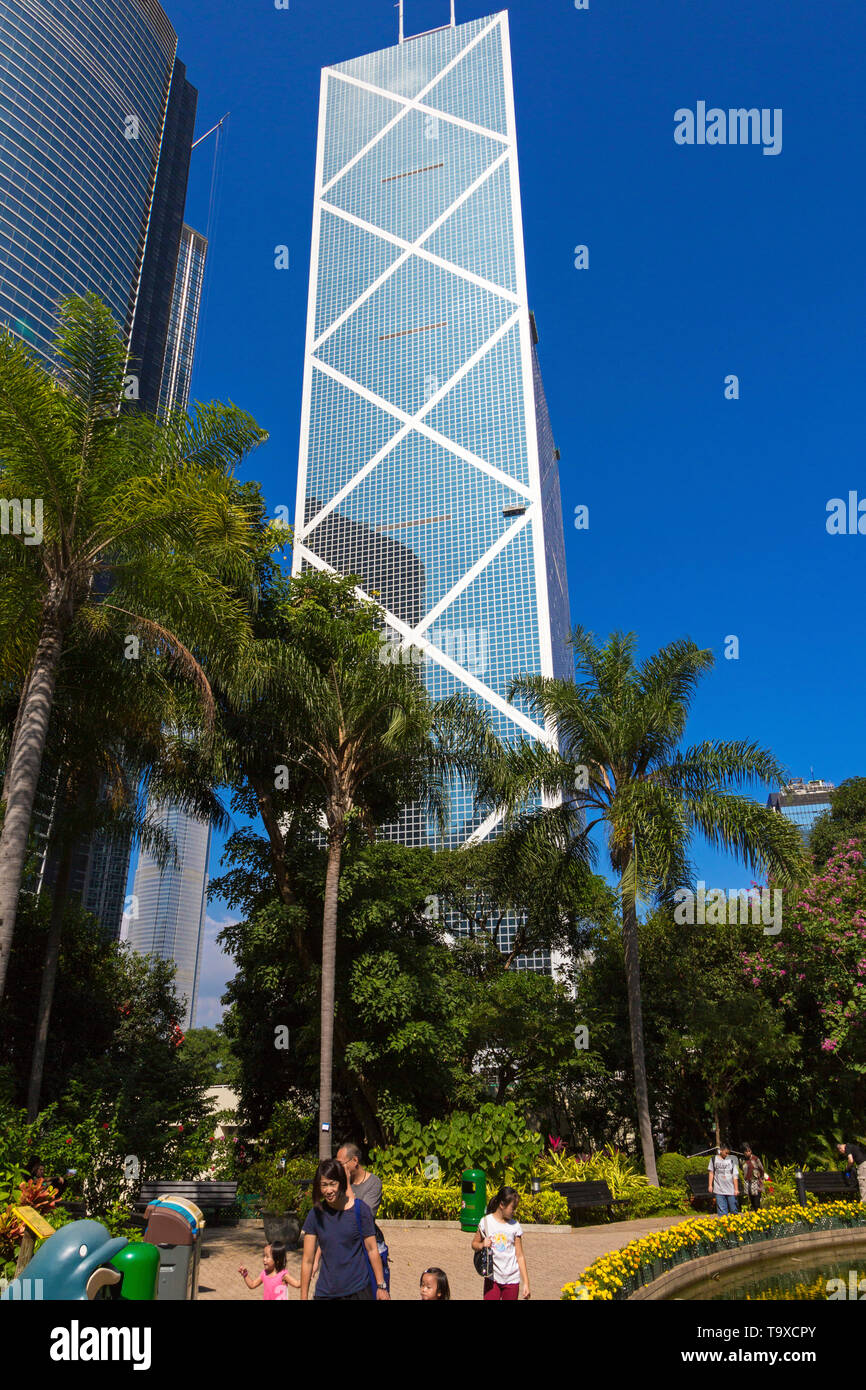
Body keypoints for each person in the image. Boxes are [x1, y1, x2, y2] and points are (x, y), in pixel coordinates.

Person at [300, 1159, 390, 1301]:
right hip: (326, 1292)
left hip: (358, 1291)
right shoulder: (315, 1214)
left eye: (332, 1184)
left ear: (341, 1183)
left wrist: (381, 1286)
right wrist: (303, 1296)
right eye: (324, 1185)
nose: (328, 1190)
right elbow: (307, 1260)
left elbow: (372, 1249)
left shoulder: (360, 1210)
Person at [471, 1186, 531, 1301]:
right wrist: (482, 1244)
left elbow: (520, 1256)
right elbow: (474, 1244)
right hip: (492, 1278)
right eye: (513, 1208)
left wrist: (526, 1283)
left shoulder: (515, 1226)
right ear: (502, 1205)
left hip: (512, 1279)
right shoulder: (486, 1222)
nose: (515, 1211)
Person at [336, 1143, 382, 1219]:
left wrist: (347, 1183)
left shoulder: (373, 1183)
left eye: (341, 1164)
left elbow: (365, 1215)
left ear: (355, 1160)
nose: (338, 1168)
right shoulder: (340, 1181)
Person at [708, 1144, 740, 1215]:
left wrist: (736, 1189)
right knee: (722, 1211)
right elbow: (711, 1173)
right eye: (726, 1153)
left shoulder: (732, 1160)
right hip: (719, 1189)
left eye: (728, 1153)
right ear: (721, 1150)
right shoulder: (713, 1159)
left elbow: (735, 1175)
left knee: (733, 1209)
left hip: (731, 1190)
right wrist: (710, 1185)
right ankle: (724, 1225)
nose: (727, 1155)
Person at [741, 1144, 765, 1211]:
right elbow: (743, 1172)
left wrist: (761, 1179)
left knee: (757, 1202)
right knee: (752, 1203)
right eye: (746, 1151)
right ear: (743, 1152)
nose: (747, 1153)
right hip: (748, 1184)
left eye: (749, 1151)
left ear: (751, 1151)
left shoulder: (756, 1159)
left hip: (756, 1183)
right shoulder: (742, 1161)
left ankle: (759, 1217)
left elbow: (762, 1169)